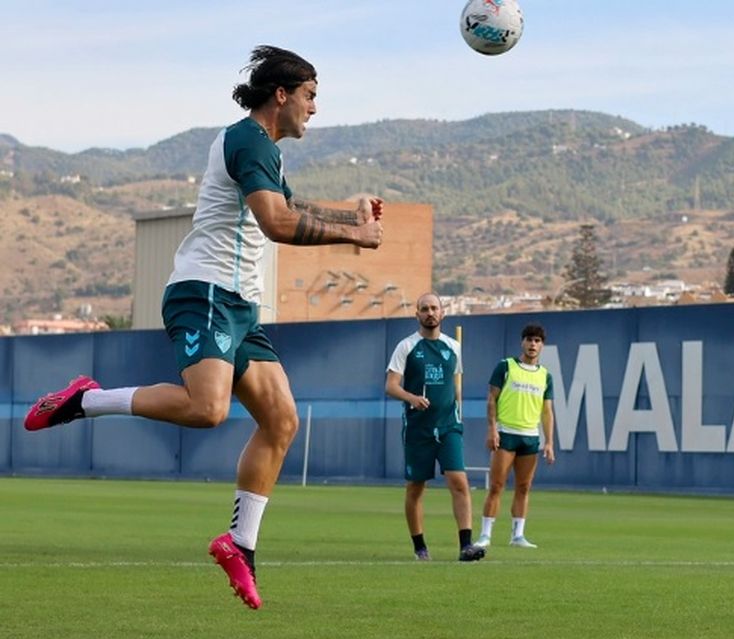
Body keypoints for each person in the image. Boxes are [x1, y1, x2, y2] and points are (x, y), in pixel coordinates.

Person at [23, 46, 382, 609]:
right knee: (208, 409)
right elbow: (279, 221)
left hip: (240, 305)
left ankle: (239, 544)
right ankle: (84, 401)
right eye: (311, 96)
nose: (315, 108)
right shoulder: (245, 140)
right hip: (205, 292)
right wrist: (354, 236)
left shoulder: (265, 152)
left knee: (282, 420)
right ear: (281, 95)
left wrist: (350, 215)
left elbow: (290, 202)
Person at [385, 293, 486, 563]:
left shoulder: (453, 346)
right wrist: (412, 398)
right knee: (415, 488)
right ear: (417, 314)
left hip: (448, 426)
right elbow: (391, 385)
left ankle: (466, 545)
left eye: (434, 308)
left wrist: (458, 413)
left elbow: (455, 386)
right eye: (424, 309)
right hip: (418, 429)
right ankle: (420, 547)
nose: (430, 313)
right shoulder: (406, 346)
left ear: (443, 313)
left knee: (458, 481)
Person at [474, 323, 556, 549]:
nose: (533, 344)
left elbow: (547, 411)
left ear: (542, 345)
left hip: (530, 437)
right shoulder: (506, 366)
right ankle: (485, 534)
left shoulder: (545, 376)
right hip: (506, 434)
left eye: (537, 341)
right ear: (522, 342)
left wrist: (549, 442)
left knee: (524, 487)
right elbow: (492, 399)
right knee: (497, 485)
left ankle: (517, 535)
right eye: (529, 339)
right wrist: (492, 429)